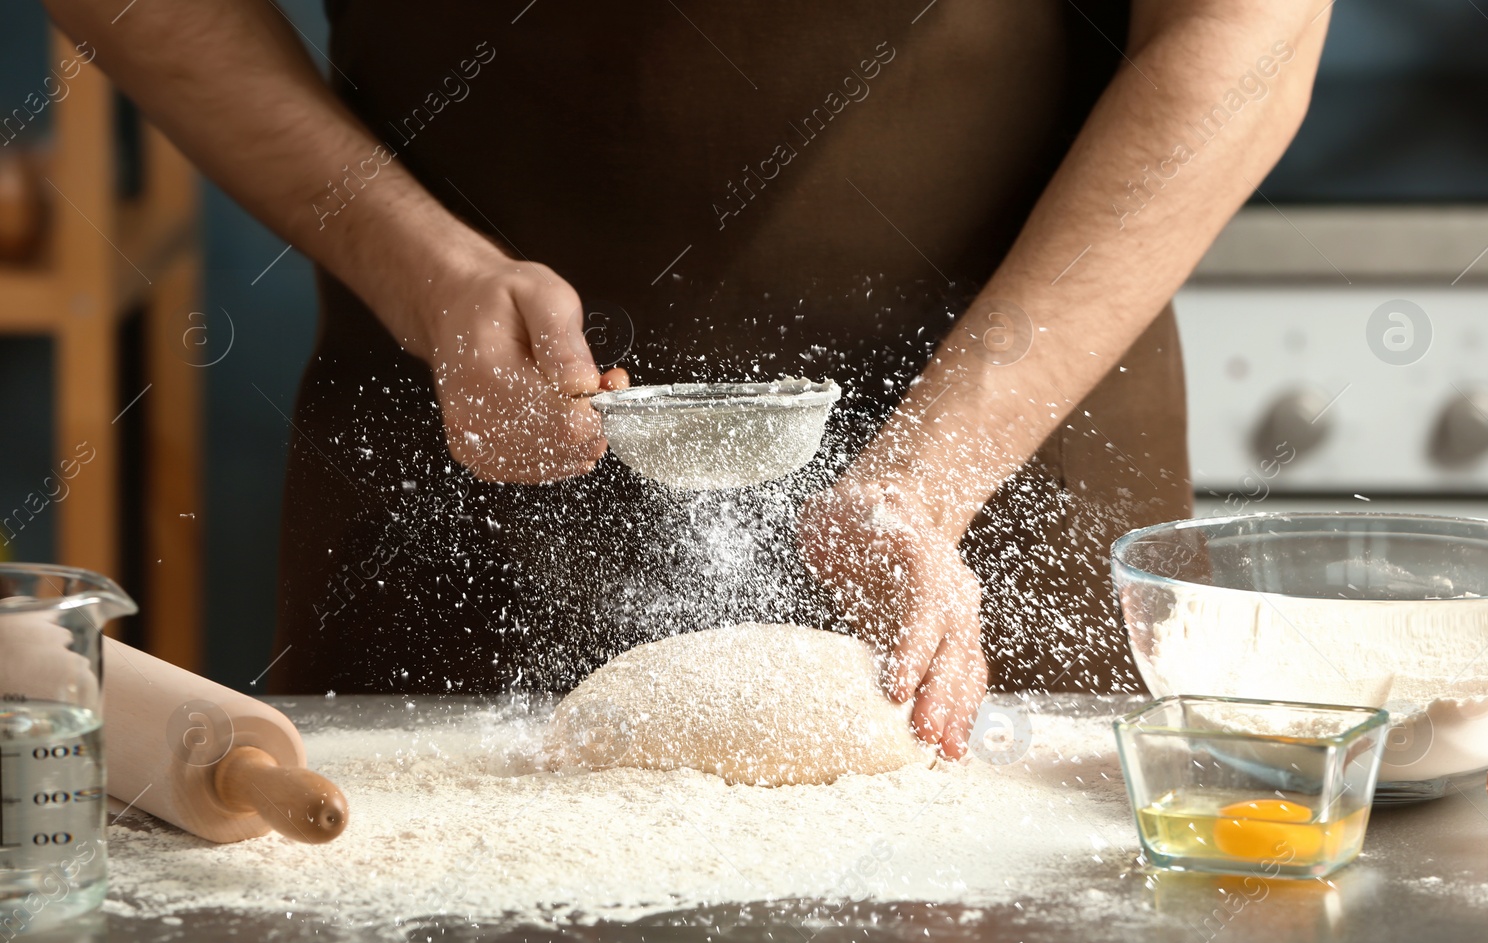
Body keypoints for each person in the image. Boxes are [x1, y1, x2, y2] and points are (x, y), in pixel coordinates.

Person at [45, 0, 1328, 757]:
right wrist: (418, 265)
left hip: (1002, 443)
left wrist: (934, 473)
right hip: (465, 432)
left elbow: (1245, 28)